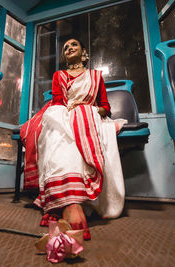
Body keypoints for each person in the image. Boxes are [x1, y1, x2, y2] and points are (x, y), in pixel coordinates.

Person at [20, 37, 126, 240]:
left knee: (80, 124)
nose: (69, 48)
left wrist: (86, 111)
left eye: (74, 45)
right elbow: (58, 102)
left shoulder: (95, 77)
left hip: (90, 116)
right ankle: (69, 201)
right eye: (66, 47)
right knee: (56, 134)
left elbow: (105, 107)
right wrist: (71, 113)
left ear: (84, 52)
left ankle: (71, 201)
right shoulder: (58, 75)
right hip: (63, 113)